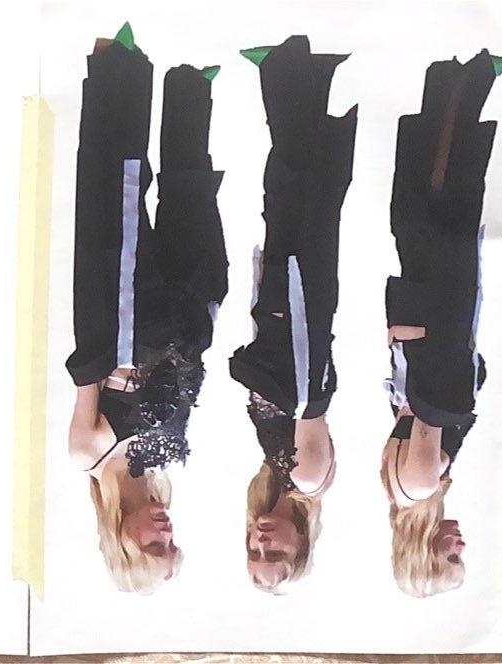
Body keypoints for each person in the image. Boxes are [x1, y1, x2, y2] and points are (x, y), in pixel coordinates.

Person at [63, 25, 225, 595]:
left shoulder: (90, 453)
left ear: (121, 542)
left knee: (120, 186)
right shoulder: (157, 469)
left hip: (129, 316)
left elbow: (88, 363)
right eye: (172, 544)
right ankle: (190, 89)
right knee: (192, 201)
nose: (166, 534)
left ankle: (118, 68)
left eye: (155, 547)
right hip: (185, 321)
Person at [226, 35, 354, 595]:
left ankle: (302, 76)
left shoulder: (280, 476)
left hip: (282, 314)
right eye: (273, 552)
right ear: (301, 543)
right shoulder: (306, 477)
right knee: (302, 201)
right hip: (299, 312)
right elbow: (308, 391)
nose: (262, 542)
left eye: (253, 551)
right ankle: (288, 73)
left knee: (290, 202)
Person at [378, 50, 502, 598]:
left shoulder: (419, 483)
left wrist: (446, 345)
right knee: (429, 216)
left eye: (450, 555)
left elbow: (429, 404)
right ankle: (455, 86)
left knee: (442, 211)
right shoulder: (401, 489)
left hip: (436, 327)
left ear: (423, 550)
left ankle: (465, 82)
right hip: (421, 330)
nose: (460, 545)